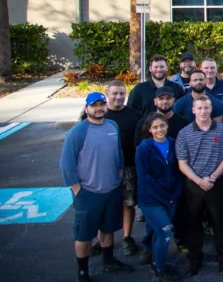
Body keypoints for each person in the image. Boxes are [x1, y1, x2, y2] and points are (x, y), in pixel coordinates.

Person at [61, 92, 134, 282]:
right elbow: (67, 163)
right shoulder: (78, 131)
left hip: (111, 190)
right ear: (87, 109)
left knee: (107, 229)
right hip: (88, 193)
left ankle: (108, 261)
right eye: (94, 105)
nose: (99, 108)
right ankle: (83, 271)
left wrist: (118, 175)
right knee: (84, 235)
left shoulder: (112, 126)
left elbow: (117, 151)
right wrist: (77, 189)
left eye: (102, 104)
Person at [175, 98, 223, 276]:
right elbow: (182, 164)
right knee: (194, 223)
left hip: (216, 183)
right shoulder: (184, 133)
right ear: (193, 110)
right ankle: (195, 259)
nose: (203, 111)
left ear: (211, 109)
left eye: (206, 107)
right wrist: (199, 181)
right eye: (199, 108)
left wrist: (213, 177)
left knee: (220, 222)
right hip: (194, 185)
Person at [96, 81, 143, 257]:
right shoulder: (99, 114)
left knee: (127, 204)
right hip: (103, 169)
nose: (118, 97)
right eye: (115, 93)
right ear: (107, 95)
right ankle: (102, 240)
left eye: (122, 93)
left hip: (128, 168)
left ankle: (126, 237)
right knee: (104, 205)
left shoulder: (135, 116)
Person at [134, 113, 182, 281]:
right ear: (149, 129)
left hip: (171, 197)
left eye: (162, 126)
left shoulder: (174, 143)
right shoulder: (144, 147)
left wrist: (174, 194)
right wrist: (164, 196)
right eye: (155, 127)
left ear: (167, 126)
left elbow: (178, 171)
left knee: (158, 232)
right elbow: (144, 177)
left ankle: (156, 261)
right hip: (152, 199)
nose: (159, 129)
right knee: (165, 233)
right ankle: (161, 269)